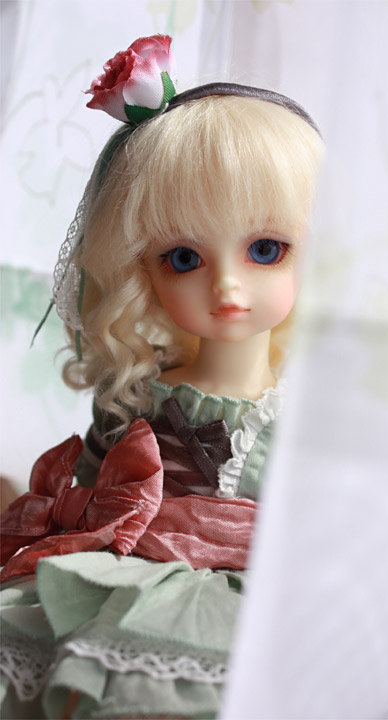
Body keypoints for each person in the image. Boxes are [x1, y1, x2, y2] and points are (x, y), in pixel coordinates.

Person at [0, 34, 323, 719]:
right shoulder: (139, 391)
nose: (228, 286)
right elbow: (95, 487)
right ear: (139, 270)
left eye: (266, 249)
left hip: (247, 603)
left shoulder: (306, 411)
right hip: (125, 577)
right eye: (183, 258)